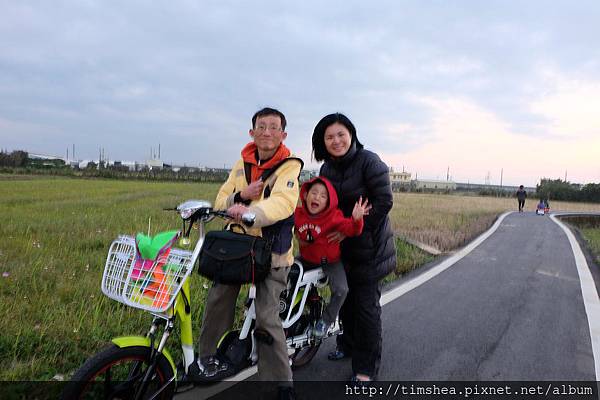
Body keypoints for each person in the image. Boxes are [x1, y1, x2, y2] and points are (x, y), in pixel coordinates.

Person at [189, 107, 302, 399]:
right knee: (217, 298)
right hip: (240, 250)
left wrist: (253, 212)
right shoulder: (242, 163)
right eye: (261, 126)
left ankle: (280, 382)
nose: (267, 132)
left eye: (273, 127)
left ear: (283, 134)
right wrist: (240, 196)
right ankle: (207, 360)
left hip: (272, 255)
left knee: (266, 317)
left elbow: (284, 202)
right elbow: (221, 197)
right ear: (251, 132)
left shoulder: (290, 167)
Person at [311, 113, 396, 382]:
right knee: (344, 300)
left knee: (366, 308)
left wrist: (354, 228)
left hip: (369, 248)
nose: (336, 141)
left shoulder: (369, 162)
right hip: (340, 249)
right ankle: (347, 346)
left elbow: (384, 202)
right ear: (322, 142)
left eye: (341, 134)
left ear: (352, 134)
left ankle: (365, 371)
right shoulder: (326, 169)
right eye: (329, 137)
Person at [294, 176, 369, 338]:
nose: (317, 197)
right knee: (284, 273)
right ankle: (290, 310)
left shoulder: (333, 216)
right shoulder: (298, 214)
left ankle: (326, 321)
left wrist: (357, 219)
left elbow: (352, 230)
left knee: (342, 289)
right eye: (314, 193)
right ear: (305, 195)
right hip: (306, 258)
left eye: (323, 196)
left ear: (328, 202)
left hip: (330, 261)